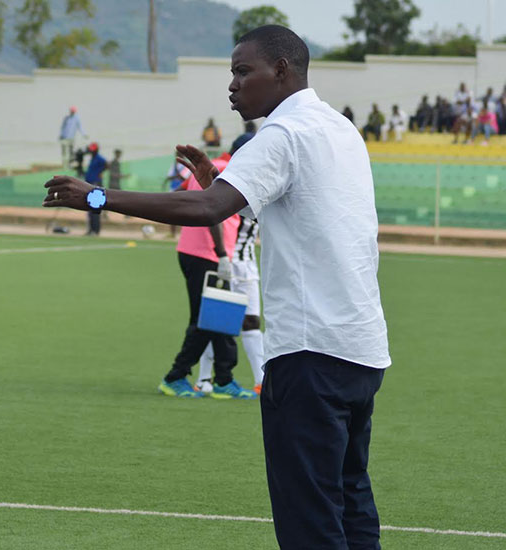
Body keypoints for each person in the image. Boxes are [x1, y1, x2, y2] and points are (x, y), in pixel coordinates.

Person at [44, 25, 390, 549]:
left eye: (241, 71)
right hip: (361, 351)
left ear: (281, 70)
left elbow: (209, 211)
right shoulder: (341, 130)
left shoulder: (283, 135)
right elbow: (255, 203)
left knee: (312, 521)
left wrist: (97, 197)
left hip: (309, 353)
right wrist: (215, 179)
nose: (232, 85)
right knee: (351, 500)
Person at [159, 154, 256, 399]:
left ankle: (224, 379)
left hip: (198, 251)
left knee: (220, 317)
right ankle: (175, 376)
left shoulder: (214, 168)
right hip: (208, 254)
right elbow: (213, 212)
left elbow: (181, 192)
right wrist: (222, 254)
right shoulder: (223, 171)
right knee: (206, 319)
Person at [84, 142, 107, 236]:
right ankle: (91, 229)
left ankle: (95, 230)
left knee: (95, 208)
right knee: (89, 208)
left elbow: (106, 164)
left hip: (96, 185)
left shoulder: (99, 158)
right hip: (89, 184)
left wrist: (100, 173)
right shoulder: (92, 159)